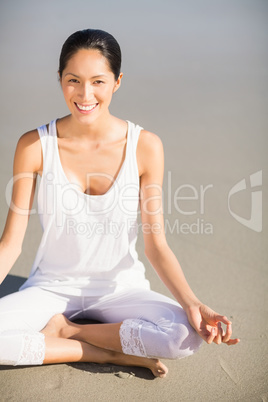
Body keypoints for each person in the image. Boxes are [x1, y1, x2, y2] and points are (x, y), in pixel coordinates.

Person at [0, 29, 239, 378]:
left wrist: (193, 304)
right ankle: (97, 351)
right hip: (51, 287)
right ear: (60, 79)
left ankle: (68, 332)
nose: (85, 94)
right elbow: (10, 244)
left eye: (98, 81)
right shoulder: (34, 146)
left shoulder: (145, 146)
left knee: (185, 337)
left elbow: (156, 246)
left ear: (117, 82)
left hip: (119, 289)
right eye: (73, 80)